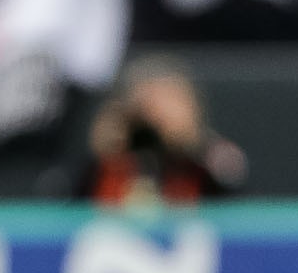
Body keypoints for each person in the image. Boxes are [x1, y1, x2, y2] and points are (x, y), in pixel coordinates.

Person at [67, 55, 247, 207]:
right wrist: (100, 157)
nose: (157, 117)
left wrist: (194, 144)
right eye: (148, 104)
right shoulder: (111, 164)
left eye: (170, 102)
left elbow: (235, 198)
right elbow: (71, 206)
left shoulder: (204, 161)